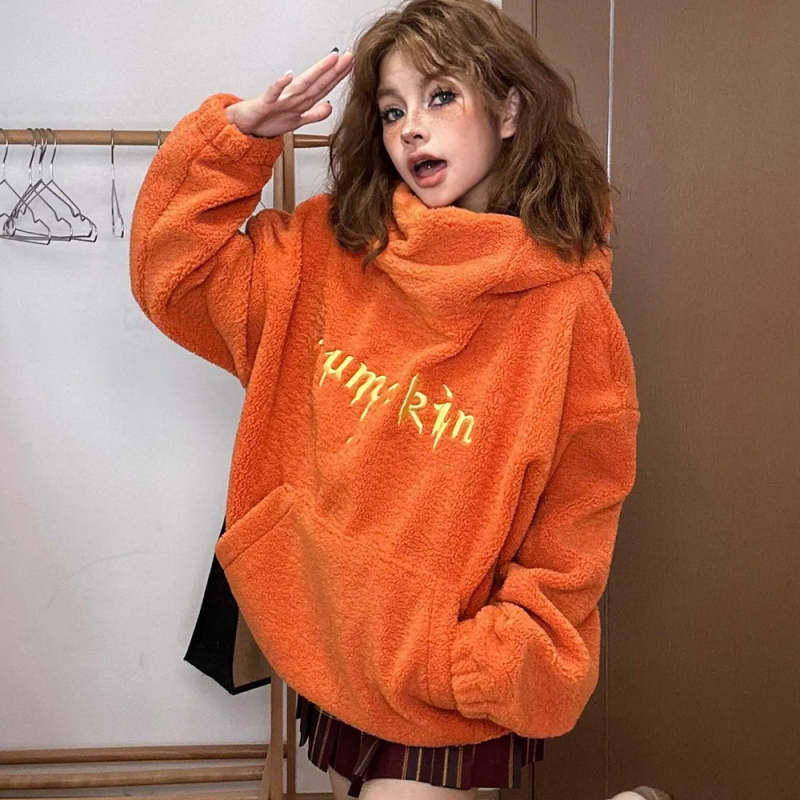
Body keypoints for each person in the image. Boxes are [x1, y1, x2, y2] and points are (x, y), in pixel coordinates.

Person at [129, 2, 641, 799]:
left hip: (445, 675)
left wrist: (481, 659)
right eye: (393, 110)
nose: (412, 129)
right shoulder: (332, 249)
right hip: (333, 645)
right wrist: (239, 140)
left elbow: (579, 516)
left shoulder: (568, 311)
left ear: (509, 109)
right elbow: (175, 274)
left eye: (441, 96)